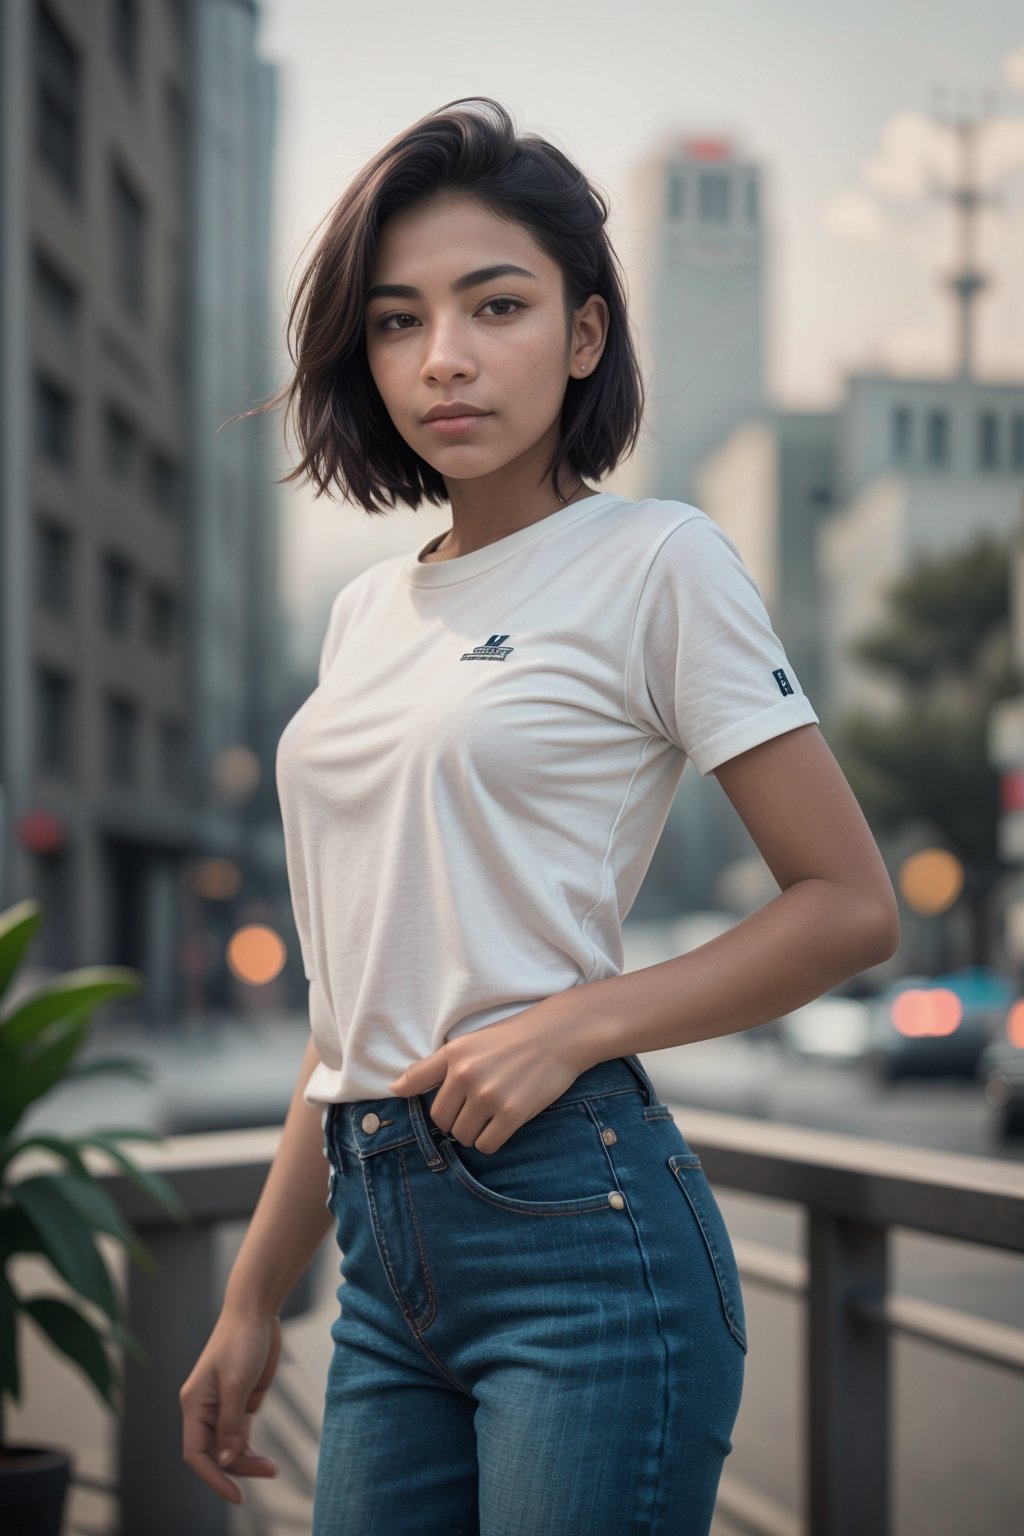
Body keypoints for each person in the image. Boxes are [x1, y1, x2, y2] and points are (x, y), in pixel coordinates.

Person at [179, 96, 900, 1535]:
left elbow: (849, 906)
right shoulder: (364, 612)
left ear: (583, 334)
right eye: (395, 320)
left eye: (493, 304)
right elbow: (357, 1001)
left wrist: (576, 1022)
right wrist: (256, 1295)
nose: (441, 357)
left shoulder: (659, 561)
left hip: (582, 1235)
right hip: (385, 1260)